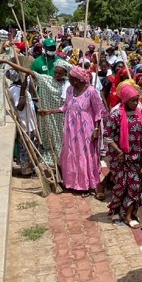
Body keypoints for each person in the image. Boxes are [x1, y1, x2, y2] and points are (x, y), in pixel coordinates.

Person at [40, 66, 105, 196]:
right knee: (71, 153)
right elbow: (65, 107)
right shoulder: (70, 90)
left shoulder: (91, 91)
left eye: (71, 79)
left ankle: (86, 185)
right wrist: (49, 112)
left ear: (78, 80)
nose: (68, 81)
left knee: (84, 154)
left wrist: (97, 129)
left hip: (87, 129)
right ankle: (72, 183)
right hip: (71, 128)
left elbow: (99, 112)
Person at [104, 84, 142, 227]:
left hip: (137, 157)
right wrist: (119, 151)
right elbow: (108, 137)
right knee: (120, 186)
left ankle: (129, 215)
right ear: (125, 100)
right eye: (133, 101)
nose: (136, 103)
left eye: (137, 100)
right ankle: (116, 210)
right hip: (121, 158)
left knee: (135, 186)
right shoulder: (116, 115)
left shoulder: (140, 112)